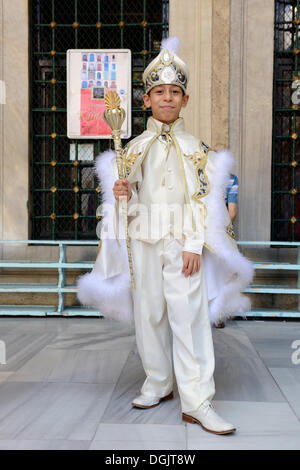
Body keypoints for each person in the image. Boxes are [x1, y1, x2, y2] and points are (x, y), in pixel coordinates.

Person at [77, 37, 254, 436]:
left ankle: (197, 400)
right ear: (146, 100)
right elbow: (127, 203)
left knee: (188, 319)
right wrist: (123, 194)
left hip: (181, 244)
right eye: (160, 92)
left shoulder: (199, 151)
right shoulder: (133, 149)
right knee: (150, 314)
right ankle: (158, 381)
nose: (168, 99)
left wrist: (194, 244)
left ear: (185, 100)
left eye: (175, 92)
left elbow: (205, 201)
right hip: (143, 242)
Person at [214, 173, 239, 329]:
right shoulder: (230, 178)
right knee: (222, 274)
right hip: (221, 232)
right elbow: (232, 212)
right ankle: (218, 315)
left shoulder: (197, 170)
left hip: (198, 230)